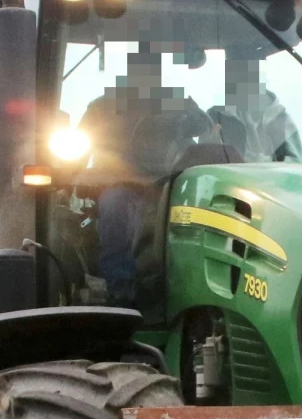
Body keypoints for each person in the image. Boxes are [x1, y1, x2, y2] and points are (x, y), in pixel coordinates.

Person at [79, 44, 212, 307]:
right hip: (119, 184)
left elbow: (205, 124)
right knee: (116, 206)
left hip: (169, 184)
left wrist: (190, 118)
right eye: (141, 70)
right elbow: (78, 149)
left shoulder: (173, 100)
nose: (147, 76)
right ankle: (121, 290)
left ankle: (196, 289)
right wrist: (72, 174)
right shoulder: (104, 106)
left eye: (153, 71)